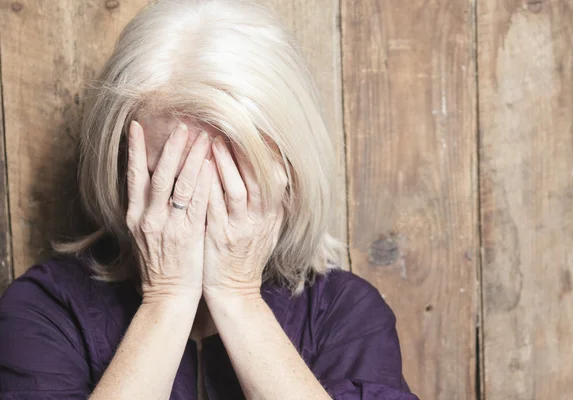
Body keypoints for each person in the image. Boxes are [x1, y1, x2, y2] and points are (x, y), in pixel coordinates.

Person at [0, 0, 419, 399]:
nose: (195, 204)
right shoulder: (47, 308)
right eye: (170, 174)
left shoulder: (346, 314)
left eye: (230, 179)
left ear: (289, 173)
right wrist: (165, 300)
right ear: (122, 166)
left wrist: (238, 297)